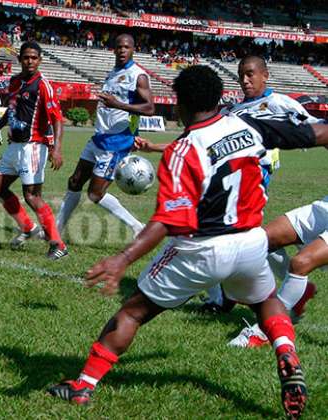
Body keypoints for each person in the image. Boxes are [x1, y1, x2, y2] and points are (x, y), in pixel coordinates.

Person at [47, 65, 328, 419]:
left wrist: (123, 259)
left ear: (180, 104)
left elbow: (168, 220)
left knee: (132, 312)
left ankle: (82, 386)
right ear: (219, 98)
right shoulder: (249, 125)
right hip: (251, 242)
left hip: (202, 249)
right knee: (265, 301)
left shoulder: (184, 150)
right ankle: (286, 350)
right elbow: (317, 133)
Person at [135, 56, 323, 347]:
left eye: (250, 74)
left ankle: (233, 304)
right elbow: (200, 139)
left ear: (265, 75)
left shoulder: (281, 104)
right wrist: (155, 147)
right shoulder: (233, 110)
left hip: (251, 182)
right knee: (256, 241)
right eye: (241, 75)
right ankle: (274, 292)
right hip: (221, 182)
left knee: (219, 237)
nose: (245, 80)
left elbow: (316, 130)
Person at [55, 34, 154, 239]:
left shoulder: (138, 75)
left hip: (116, 142)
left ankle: (137, 226)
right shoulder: (113, 72)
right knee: (74, 182)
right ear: (114, 49)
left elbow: (150, 108)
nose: (122, 50)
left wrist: (118, 105)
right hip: (99, 137)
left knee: (95, 194)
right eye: (119, 47)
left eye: (126, 47)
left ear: (133, 49)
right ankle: (56, 231)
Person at [0, 41, 67, 260]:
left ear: (39, 60)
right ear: (19, 59)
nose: (30, 61)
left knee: (32, 196)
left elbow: (57, 119)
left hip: (33, 146)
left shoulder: (43, 85)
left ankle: (58, 244)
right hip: (14, 146)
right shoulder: (14, 81)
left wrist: (56, 149)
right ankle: (27, 227)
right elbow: (11, 110)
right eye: (26, 57)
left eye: (34, 57)